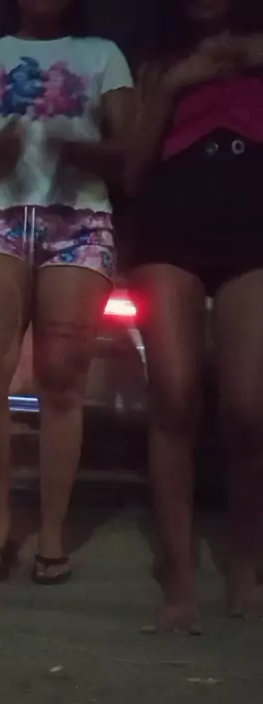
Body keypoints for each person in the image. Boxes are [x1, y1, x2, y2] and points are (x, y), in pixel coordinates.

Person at [0, 0, 133, 584]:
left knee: (62, 376)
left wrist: (77, 148)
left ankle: (51, 530)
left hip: (79, 221)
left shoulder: (102, 55)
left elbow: (129, 151)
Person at [126, 0, 263, 630]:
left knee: (250, 410)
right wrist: (174, 87)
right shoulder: (158, 67)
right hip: (172, 223)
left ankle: (244, 565)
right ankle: (179, 579)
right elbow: (131, 174)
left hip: (253, 226)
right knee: (174, 396)